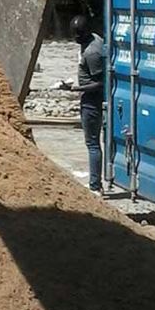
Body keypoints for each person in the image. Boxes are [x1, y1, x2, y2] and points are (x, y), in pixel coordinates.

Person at [60, 15, 105, 194]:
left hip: (91, 100)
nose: (75, 39)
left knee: (92, 143)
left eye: (78, 35)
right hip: (89, 97)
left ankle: (95, 186)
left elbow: (100, 83)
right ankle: (97, 181)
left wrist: (75, 88)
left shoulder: (91, 52)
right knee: (94, 142)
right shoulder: (95, 40)